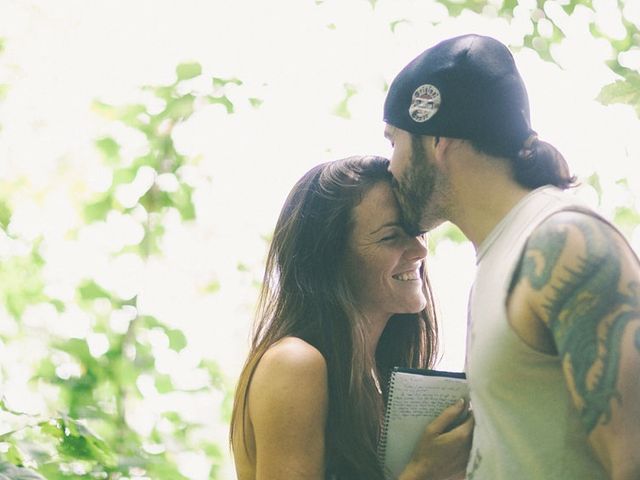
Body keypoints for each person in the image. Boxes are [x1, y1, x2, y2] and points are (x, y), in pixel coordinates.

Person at [382, 34, 640, 480]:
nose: (391, 165)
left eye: (394, 142)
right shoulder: (500, 254)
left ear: (436, 140)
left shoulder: (564, 242)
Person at [230, 155, 473, 480]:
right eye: (390, 237)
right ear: (329, 260)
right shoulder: (295, 363)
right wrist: (423, 472)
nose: (419, 250)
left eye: (417, 232)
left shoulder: (371, 374)